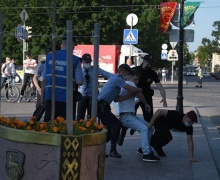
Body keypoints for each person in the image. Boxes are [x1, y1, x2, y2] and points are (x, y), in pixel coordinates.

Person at [97, 64, 142, 158]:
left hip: (103, 106)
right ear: (122, 72)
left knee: (110, 130)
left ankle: (98, 150)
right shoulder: (118, 79)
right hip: (101, 106)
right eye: (127, 73)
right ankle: (112, 151)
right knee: (116, 125)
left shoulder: (116, 79)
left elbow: (117, 99)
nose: (127, 75)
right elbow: (131, 89)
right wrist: (140, 89)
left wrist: (130, 96)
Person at [115, 69, 160, 162]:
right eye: (136, 79)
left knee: (150, 127)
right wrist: (146, 103)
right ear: (129, 77)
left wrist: (144, 102)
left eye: (138, 80)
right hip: (126, 117)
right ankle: (146, 153)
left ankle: (143, 148)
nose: (137, 82)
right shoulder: (129, 84)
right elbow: (139, 93)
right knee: (144, 128)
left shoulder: (125, 84)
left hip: (129, 116)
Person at [43, 34, 83, 122]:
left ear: (62, 44)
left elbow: (43, 78)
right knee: (64, 127)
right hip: (66, 99)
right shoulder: (75, 60)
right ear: (72, 45)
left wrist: (43, 97)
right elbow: (79, 81)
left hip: (50, 96)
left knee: (49, 125)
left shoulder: (49, 56)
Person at [77, 53, 114, 121]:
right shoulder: (79, 70)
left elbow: (107, 74)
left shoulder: (95, 69)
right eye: (86, 62)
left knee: (92, 117)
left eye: (89, 62)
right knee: (80, 117)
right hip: (82, 96)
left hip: (93, 96)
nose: (88, 63)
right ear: (82, 62)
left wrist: (118, 77)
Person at [132, 54, 167, 123]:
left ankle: (149, 132)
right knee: (131, 115)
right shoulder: (135, 70)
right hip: (135, 96)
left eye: (151, 63)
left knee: (149, 118)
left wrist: (164, 97)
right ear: (144, 61)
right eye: (148, 63)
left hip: (146, 96)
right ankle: (130, 128)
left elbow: (160, 87)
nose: (150, 65)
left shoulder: (152, 73)